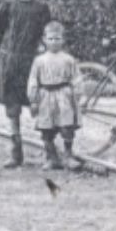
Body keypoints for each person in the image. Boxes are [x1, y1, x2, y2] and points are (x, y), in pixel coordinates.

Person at [0, 0, 54, 169]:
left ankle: (50, 152)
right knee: (12, 108)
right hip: (9, 63)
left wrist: (47, 53)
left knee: (40, 105)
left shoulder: (41, 8)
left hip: (31, 62)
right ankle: (16, 153)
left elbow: (48, 33)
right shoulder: (6, 7)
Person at [28, 21, 81, 170]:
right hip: (45, 96)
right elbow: (33, 80)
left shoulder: (68, 59)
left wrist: (77, 92)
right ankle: (52, 158)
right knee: (46, 129)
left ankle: (69, 156)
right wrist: (33, 100)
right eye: (50, 39)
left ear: (63, 40)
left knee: (66, 127)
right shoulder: (39, 61)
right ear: (44, 40)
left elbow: (76, 77)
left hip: (63, 95)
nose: (54, 42)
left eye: (57, 39)